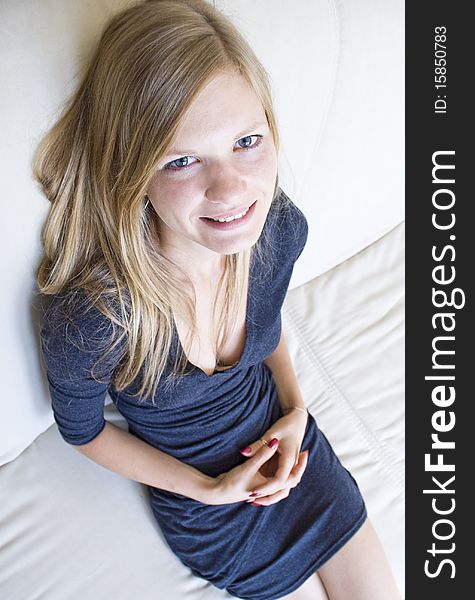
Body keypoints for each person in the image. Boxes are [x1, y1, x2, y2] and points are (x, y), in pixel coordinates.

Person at [35, 1, 401, 598]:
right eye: (182, 160)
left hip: (290, 447)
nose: (230, 188)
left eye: (246, 141)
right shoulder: (96, 319)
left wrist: (294, 407)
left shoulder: (276, 229)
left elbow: (268, 319)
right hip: (206, 501)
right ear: (133, 172)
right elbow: (85, 432)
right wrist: (210, 489)